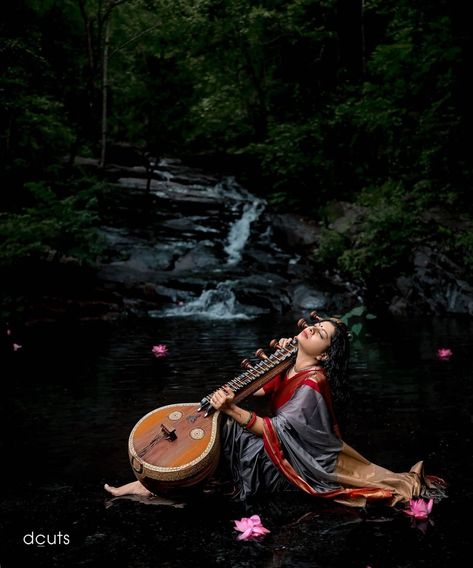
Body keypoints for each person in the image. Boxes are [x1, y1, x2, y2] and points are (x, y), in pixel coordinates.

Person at [105, 317, 445, 507]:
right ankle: (166, 484)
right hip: (286, 445)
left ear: (325, 354)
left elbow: (278, 428)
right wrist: (275, 365)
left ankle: (168, 487)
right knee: (223, 426)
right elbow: (265, 391)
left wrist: (230, 407)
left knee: (228, 430)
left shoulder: (314, 382)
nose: (310, 329)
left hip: (299, 460)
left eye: (321, 333)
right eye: (314, 324)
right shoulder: (294, 363)